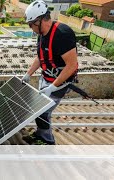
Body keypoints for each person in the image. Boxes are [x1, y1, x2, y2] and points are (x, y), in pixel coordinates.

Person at [22, 0, 78, 145]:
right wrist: (29, 74)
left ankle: (47, 141)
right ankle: (41, 134)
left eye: (31, 24)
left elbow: (71, 66)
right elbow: (41, 57)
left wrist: (53, 86)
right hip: (46, 78)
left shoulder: (62, 34)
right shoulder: (42, 34)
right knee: (39, 110)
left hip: (60, 82)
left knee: (42, 111)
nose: (30, 28)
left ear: (40, 20)